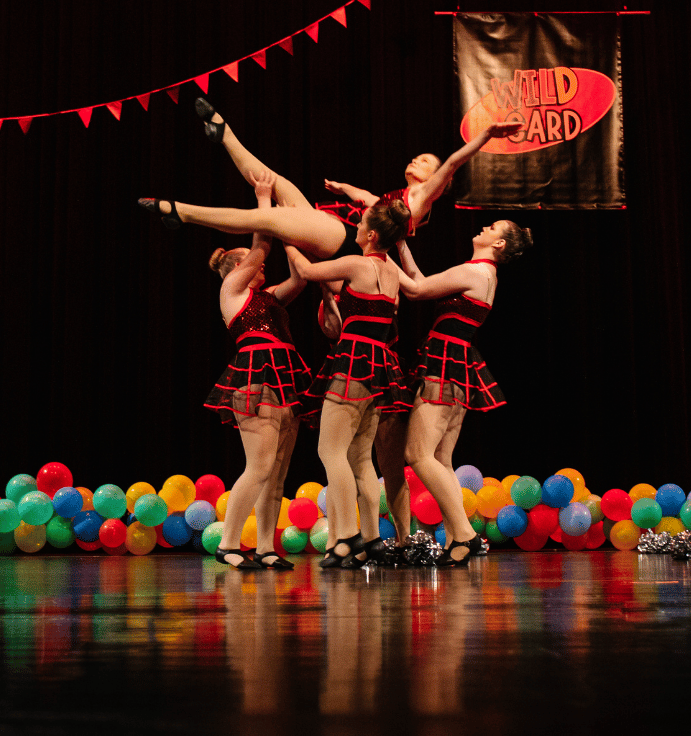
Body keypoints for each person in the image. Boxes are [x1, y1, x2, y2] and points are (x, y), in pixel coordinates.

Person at [137, 99, 520, 259]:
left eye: (424, 160)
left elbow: (452, 162)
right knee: (279, 182)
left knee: (266, 217)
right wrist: (343, 188)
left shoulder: (422, 198)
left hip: (347, 244)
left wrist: (485, 137)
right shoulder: (398, 196)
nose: (415, 160)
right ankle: (225, 134)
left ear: (438, 180)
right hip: (335, 226)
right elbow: (366, 196)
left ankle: (182, 211)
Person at [396, 220, 533, 566]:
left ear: (499, 244)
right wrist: (399, 245)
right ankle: (458, 537)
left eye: (493, 228)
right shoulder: (480, 273)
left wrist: (378, 261)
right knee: (440, 459)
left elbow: (415, 290)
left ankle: (465, 534)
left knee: (417, 453)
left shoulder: (477, 272)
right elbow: (420, 282)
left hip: (446, 365)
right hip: (456, 365)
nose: (485, 227)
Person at [284, 201, 412, 568]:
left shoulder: (358, 263)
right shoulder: (390, 273)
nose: (354, 226)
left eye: (360, 223)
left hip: (354, 363)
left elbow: (307, 270)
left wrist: (286, 234)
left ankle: (346, 536)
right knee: (360, 457)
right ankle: (370, 536)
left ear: (371, 235)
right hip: (379, 367)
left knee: (331, 452)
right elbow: (343, 289)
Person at [204, 171, 310, 570]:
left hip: (285, 379)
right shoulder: (232, 288)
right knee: (260, 466)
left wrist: (294, 228)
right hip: (255, 377)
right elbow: (261, 245)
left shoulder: (268, 298)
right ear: (236, 265)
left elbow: (300, 277)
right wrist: (265, 201)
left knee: (278, 472)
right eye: (247, 258)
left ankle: (265, 547)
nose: (256, 262)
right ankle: (229, 544)